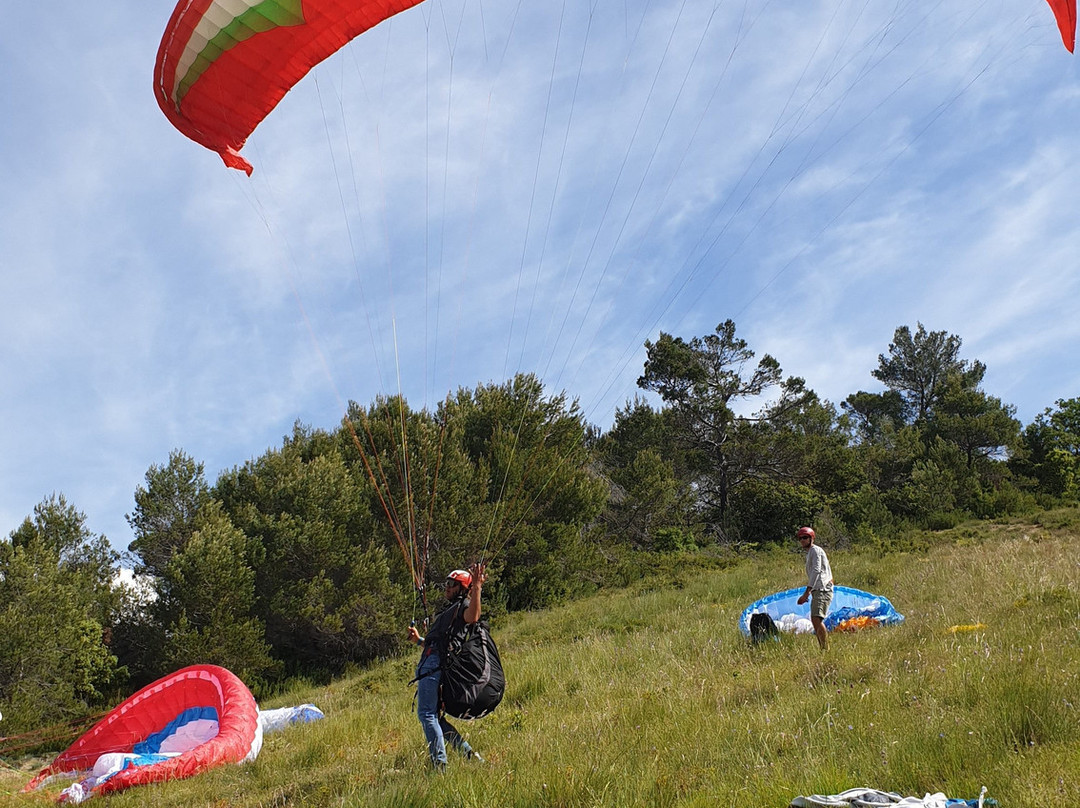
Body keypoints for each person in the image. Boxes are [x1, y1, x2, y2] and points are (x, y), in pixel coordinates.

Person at [407, 562, 486, 769]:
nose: (447, 587)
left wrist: (477, 587)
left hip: (433, 666)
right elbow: (441, 643)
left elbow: (473, 617)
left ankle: (439, 765)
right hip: (434, 661)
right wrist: (419, 641)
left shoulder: (464, 606)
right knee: (436, 719)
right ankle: (468, 754)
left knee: (427, 714)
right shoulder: (450, 611)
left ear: (462, 588)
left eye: (452, 584)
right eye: (447, 584)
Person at [795, 526, 833, 650]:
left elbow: (817, 571)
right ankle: (823, 647)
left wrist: (806, 593)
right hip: (818, 589)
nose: (802, 540)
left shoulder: (815, 551)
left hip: (822, 589)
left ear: (811, 538)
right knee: (815, 618)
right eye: (800, 538)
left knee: (816, 619)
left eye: (805, 537)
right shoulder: (810, 553)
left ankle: (825, 649)